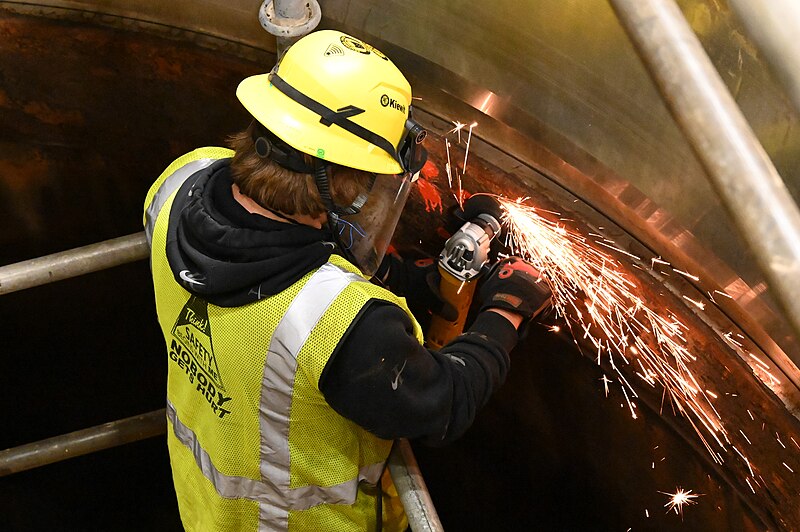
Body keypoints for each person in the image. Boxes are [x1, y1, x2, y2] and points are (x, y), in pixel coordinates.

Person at [143, 29, 552, 532]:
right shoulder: (340, 325)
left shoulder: (177, 184)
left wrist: (406, 279)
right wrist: (506, 310)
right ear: (337, 181)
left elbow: (261, 250)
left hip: (205, 510)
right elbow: (445, 403)